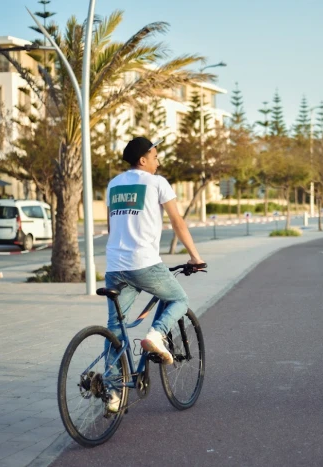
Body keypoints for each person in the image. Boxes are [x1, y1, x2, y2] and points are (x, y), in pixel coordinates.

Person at [105, 136, 206, 412]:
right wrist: (195, 257)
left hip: (115, 265)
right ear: (143, 160)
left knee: (116, 328)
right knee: (179, 299)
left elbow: (112, 223)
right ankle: (157, 334)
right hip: (144, 263)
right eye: (155, 155)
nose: (158, 160)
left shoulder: (113, 185)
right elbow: (177, 221)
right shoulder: (157, 183)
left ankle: (112, 393)